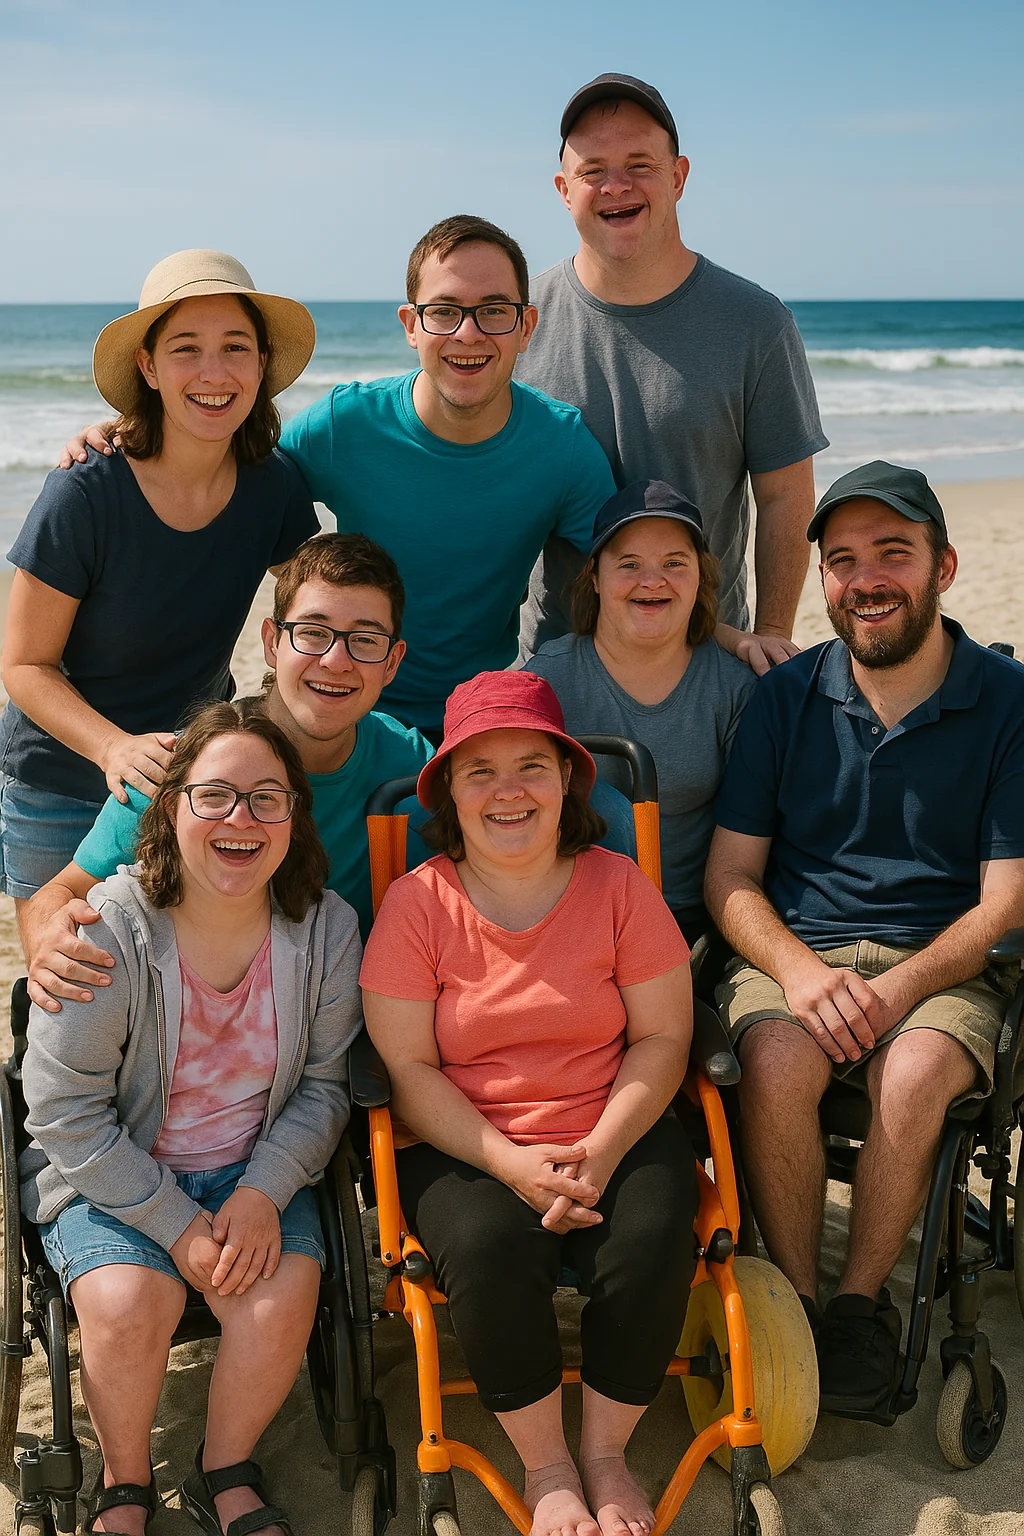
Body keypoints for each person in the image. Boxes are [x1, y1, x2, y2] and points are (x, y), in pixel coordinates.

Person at [703, 461, 1024, 1419]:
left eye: (894, 552)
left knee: (917, 1073)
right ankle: (794, 1296)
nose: (866, 578)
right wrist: (799, 973)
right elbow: (729, 877)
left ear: (945, 566)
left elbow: (1005, 902)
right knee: (773, 1064)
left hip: (947, 959)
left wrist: (898, 991)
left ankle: (860, 1308)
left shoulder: (1008, 700)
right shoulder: (784, 697)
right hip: (798, 953)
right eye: (842, 561)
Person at [58, 215, 618, 741]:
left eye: (494, 310)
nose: (468, 334)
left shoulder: (562, 448)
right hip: (337, 710)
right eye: (444, 311)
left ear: (526, 327)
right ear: (410, 326)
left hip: (473, 718)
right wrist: (133, 437)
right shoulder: (345, 424)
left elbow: (627, 575)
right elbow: (226, 458)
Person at [361, 670, 697, 1536]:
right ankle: (547, 1465)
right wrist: (509, 1163)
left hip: (612, 1117)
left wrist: (605, 1148)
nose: (508, 791)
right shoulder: (416, 904)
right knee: (484, 1245)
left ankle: (606, 1454)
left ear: (565, 780)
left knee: (657, 1229)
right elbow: (407, 1066)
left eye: (530, 766)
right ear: (449, 794)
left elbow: (663, 1039)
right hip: (465, 1135)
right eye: (480, 771)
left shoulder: (618, 885)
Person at [19, 701, 363, 1536]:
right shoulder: (108, 930)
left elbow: (324, 1085)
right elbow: (63, 1114)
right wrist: (174, 1222)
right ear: (171, 811)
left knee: (281, 1298)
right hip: (114, 1175)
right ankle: (126, 1483)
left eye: (265, 799)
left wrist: (262, 1192)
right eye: (213, 796)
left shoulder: (326, 929)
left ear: (292, 817)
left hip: (253, 1171)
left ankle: (225, 1467)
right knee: (131, 1301)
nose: (239, 820)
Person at [0, 250, 319, 923]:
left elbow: (312, 610)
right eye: (185, 349)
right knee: (67, 987)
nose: (213, 371)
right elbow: (24, 666)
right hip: (56, 782)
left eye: (236, 347)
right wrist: (113, 747)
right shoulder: (85, 490)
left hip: (190, 785)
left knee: (168, 994)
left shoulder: (275, 487)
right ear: (148, 366)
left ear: (262, 364)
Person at [516, 73, 828, 673]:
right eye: (592, 170)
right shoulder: (517, 320)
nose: (616, 186)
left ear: (679, 176)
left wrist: (768, 632)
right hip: (553, 661)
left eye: (640, 164)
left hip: (707, 661)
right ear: (563, 188)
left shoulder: (756, 322)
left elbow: (786, 495)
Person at [524, 479, 755, 944]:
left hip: (697, 921)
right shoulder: (548, 679)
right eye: (629, 564)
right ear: (595, 576)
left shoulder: (733, 685)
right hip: (574, 919)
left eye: (674, 563)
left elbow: (753, 834)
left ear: (701, 576)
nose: (652, 581)